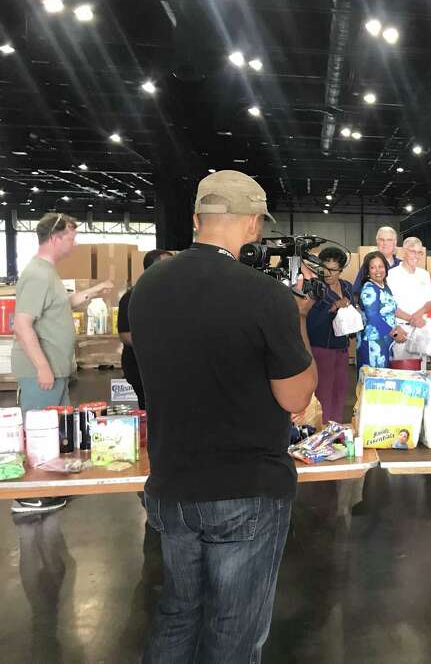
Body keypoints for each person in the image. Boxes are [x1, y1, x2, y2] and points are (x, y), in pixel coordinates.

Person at [129, 170, 319, 663]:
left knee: (177, 614)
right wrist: (297, 317)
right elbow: (297, 397)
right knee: (235, 628)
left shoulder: (148, 287)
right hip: (245, 486)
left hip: (171, 482)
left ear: (196, 218)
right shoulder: (265, 295)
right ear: (254, 225)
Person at [11, 213, 113, 514]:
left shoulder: (48, 272)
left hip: (56, 369)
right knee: (39, 432)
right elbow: (22, 323)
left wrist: (94, 291)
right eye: (71, 237)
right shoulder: (38, 274)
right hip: (43, 371)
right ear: (55, 237)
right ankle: (28, 495)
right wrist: (42, 366)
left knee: (55, 433)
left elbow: (59, 304)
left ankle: (50, 487)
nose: (75, 243)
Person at [117, 249, 173, 410]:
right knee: (151, 411)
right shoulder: (132, 296)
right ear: (154, 268)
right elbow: (125, 335)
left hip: (171, 367)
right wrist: (156, 343)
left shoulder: (175, 294)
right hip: (142, 369)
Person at [305, 247, 355, 424]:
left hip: (342, 347)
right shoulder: (315, 289)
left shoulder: (347, 287)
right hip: (321, 347)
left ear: (341, 270)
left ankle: (336, 429)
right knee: (323, 392)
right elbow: (310, 321)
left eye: (333, 270)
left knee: (340, 390)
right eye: (324, 269)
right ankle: (323, 430)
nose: (328, 273)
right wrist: (333, 307)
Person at [386, 237, 431, 363]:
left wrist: (420, 314)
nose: (416, 256)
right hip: (401, 330)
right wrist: (411, 319)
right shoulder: (392, 274)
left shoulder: (424, 274)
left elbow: (430, 301)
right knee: (402, 371)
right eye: (412, 251)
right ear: (403, 252)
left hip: (420, 329)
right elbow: (390, 305)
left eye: (420, 252)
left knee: (420, 371)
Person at [356, 251, 405, 369]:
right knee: (374, 380)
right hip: (373, 342)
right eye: (373, 267)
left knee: (383, 379)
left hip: (385, 339)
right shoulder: (369, 288)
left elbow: (390, 312)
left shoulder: (384, 286)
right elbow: (373, 316)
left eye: (381, 266)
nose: (378, 270)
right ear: (367, 271)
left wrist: (397, 327)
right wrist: (394, 333)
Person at [352, 225, 401, 290]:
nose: (385, 243)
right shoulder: (368, 264)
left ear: (395, 242)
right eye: (381, 240)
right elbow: (356, 290)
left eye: (389, 240)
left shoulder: (402, 265)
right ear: (377, 242)